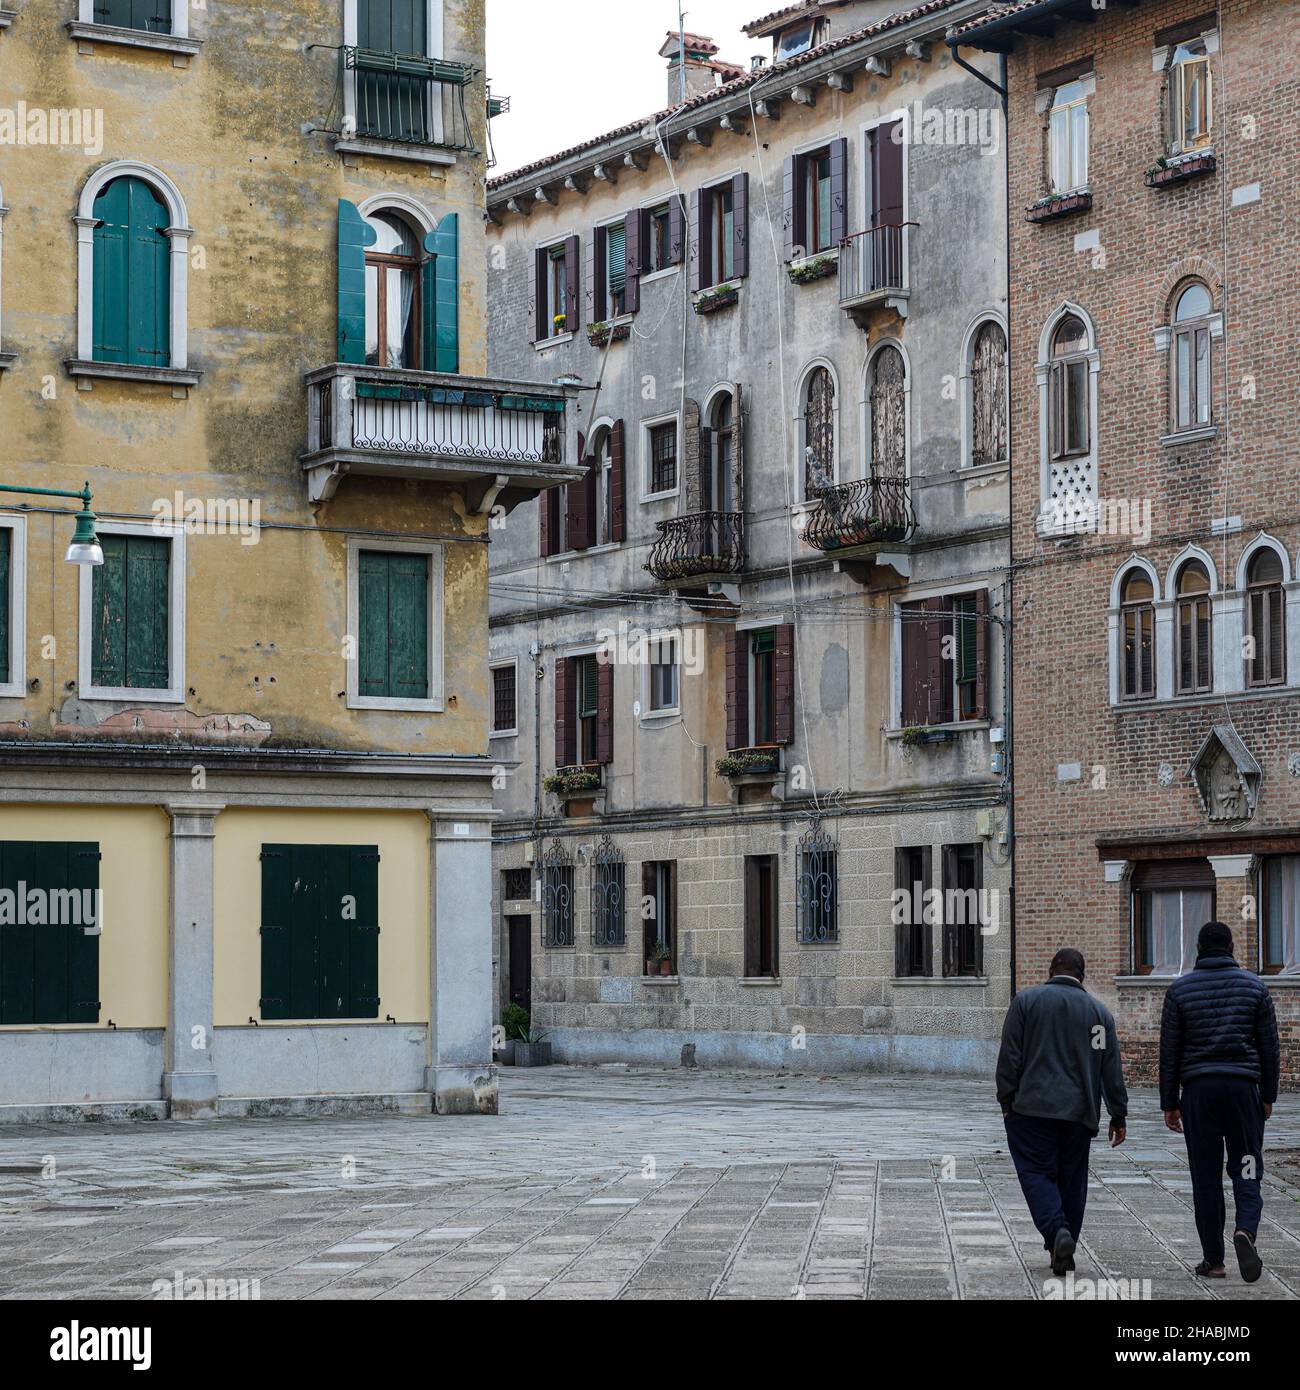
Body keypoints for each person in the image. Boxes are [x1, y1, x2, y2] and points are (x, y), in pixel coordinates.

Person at [1159, 921, 1280, 1282]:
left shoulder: (1179, 990)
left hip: (1199, 1091)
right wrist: (1268, 1095)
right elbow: (1270, 1047)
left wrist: (1170, 1101)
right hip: (1243, 1090)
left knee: (1206, 1176)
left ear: (1198, 949)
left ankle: (1214, 1260)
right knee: (1245, 1164)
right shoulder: (1256, 987)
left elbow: (1170, 1051)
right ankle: (1246, 1229)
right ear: (1231, 947)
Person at [996, 948, 1128, 1276]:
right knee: (1073, 1179)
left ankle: (1057, 1233)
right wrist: (1118, 1113)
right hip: (1079, 1112)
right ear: (1081, 975)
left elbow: (1010, 1056)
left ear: (1050, 969)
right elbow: (1109, 1069)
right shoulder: (1099, 1015)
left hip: (1031, 1109)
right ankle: (1065, 1244)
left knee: (1036, 1173)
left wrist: (1006, 1101)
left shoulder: (1026, 1003)